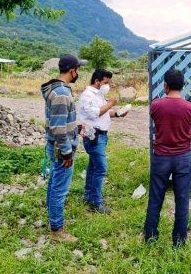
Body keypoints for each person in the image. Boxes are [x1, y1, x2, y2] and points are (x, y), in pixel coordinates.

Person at [143, 68, 191, 247]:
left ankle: (150, 237)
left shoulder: (156, 105)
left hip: (161, 158)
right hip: (183, 157)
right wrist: (188, 130)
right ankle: (179, 242)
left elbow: (162, 123)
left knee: (155, 198)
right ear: (182, 86)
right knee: (182, 200)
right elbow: (185, 124)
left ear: (165, 86)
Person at [41, 54, 87, 242]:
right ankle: (57, 230)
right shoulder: (61, 93)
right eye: (78, 69)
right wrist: (67, 152)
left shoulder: (59, 90)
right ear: (72, 71)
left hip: (58, 144)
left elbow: (59, 122)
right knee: (60, 188)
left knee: (55, 182)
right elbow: (58, 128)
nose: (78, 73)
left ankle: (53, 215)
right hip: (62, 148)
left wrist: (76, 128)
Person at [78, 69, 127, 214]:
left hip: (101, 136)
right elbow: (95, 113)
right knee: (100, 169)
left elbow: (104, 112)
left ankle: (88, 196)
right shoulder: (87, 96)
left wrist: (118, 113)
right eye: (106, 82)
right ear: (97, 81)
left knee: (93, 167)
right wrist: (111, 104)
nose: (108, 85)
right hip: (94, 137)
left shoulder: (99, 95)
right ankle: (97, 203)